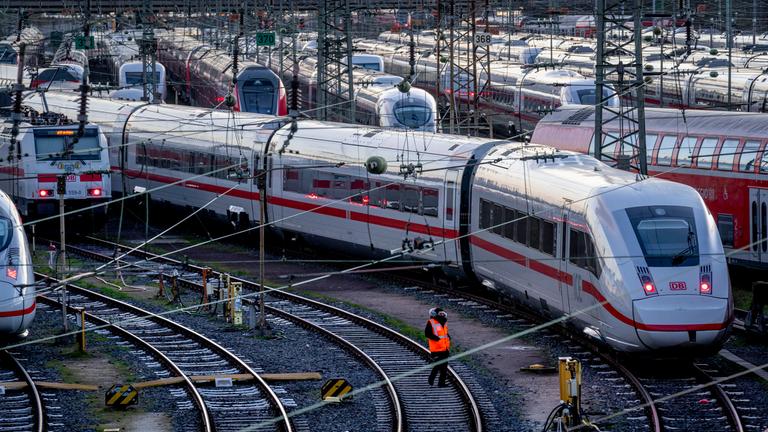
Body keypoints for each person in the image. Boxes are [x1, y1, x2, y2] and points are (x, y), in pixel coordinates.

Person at [425, 307, 451, 387]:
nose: (442, 314)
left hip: (445, 348)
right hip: (437, 348)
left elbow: (444, 333)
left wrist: (448, 337)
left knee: (444, 366)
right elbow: (427, 333)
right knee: (439, 364)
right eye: (440, 313)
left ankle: (441, 383)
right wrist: (436, 338)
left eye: (443, 313)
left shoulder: (444, 322)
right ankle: (431, 378)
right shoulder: (431, 322)